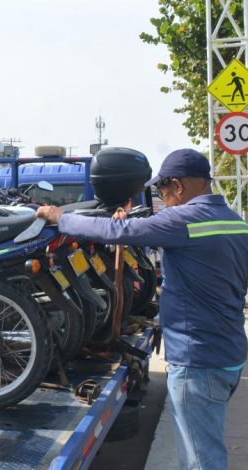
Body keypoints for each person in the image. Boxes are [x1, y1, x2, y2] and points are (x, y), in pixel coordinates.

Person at [37, 149, 248, 469]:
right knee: (206, 441)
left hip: (197, 360)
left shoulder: (183, 219)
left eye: (162, 190)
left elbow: (118, 233)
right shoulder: (235, 223)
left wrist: (60, 218)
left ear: (177, 186)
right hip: (228, 354)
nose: (162, 197)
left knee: (201, 459)